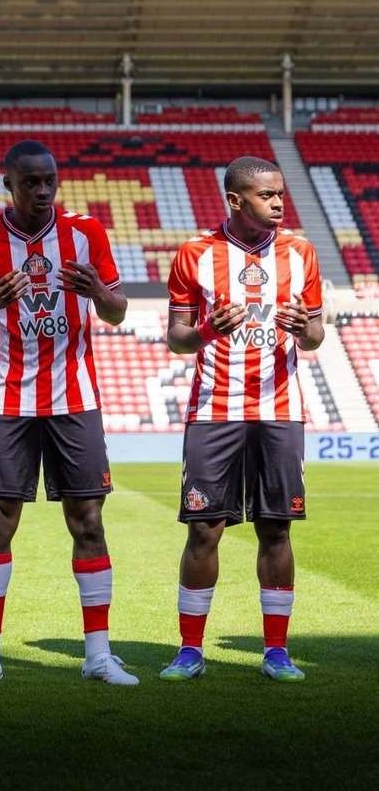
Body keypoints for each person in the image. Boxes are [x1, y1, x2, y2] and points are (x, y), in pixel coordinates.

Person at [0, 140, 138, 687]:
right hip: (8, 402)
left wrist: (97, 290)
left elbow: (117, 312)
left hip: (75, 400)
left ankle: (98, 654)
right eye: (30, 182)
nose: (42, 190)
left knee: (88, 521)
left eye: (49, 180)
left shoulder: (86, 233)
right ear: (8, 185)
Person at [160, 155, 324, 682]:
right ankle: (190, 650)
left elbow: (316, 335)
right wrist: (208, 329)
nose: (278, 203)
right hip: (215, 411)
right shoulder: (195, 253)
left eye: (280, 194)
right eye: (266, 195)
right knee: (203, 531)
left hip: (280, 410)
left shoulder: (300, 252)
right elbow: (177, 338)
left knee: (276, 529)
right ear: (235, 200)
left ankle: (276, 651)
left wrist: (303, 329)